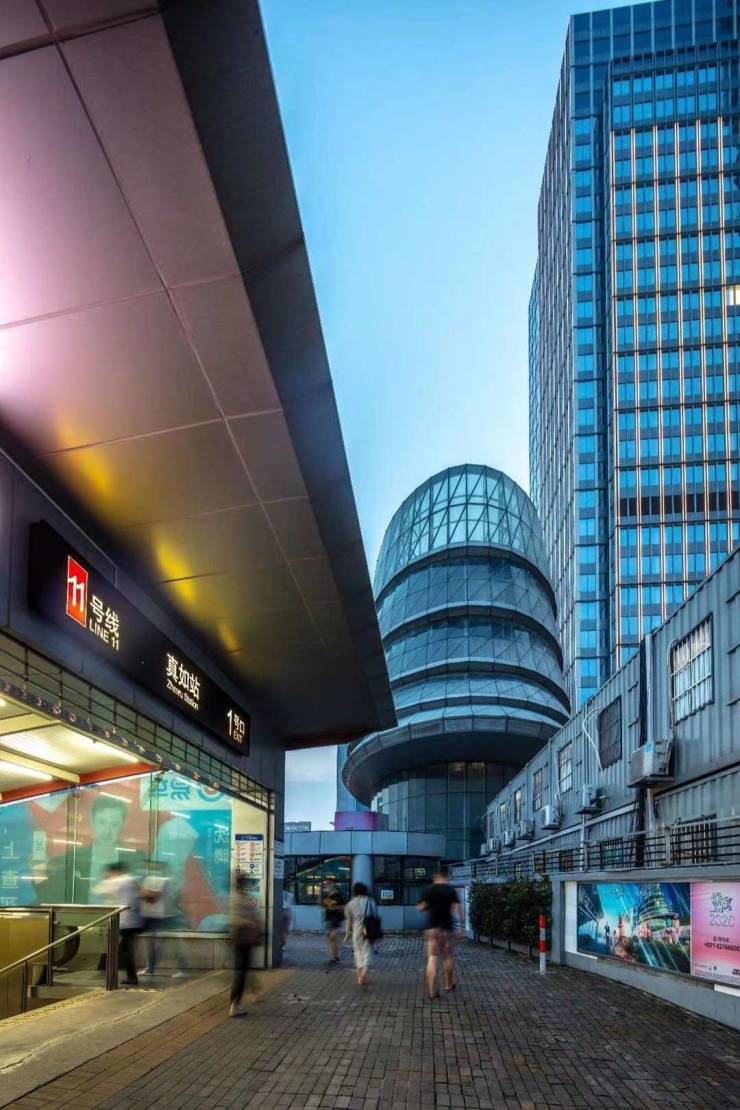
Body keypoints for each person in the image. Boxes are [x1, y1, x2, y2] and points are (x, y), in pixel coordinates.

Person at [94, 862, 142, 987]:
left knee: (122, 950)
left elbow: (98, 890)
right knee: (125, 949)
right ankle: (130, 977)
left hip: (124, 921)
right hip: (131, 921)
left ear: (115, 871)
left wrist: (107, 879)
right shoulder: (131, 880)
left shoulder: (120, 880)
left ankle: (122, 977)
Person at [417, 866, 461, 999]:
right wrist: (461, 928)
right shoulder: (451, 890)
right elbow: (456, 909)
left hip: (432, 929)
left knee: (432, 957)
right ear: (447, 876)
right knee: (448, 956)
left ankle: (432, 992)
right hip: (447, 928)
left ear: (436, 876)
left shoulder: (429, 890)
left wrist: (425, 906)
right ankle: (448, 985)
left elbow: (421, 908)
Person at [139, 861, 189, 978]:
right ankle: (150, 968)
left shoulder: (157, 880)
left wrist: (140, 891)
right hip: (160, 916)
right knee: (155, 944)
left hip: (160, 917)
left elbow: (153, 898)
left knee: (166, 944)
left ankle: (183, 968)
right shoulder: (167, 881)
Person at [228, 873, 262, 1018]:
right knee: (241, 973)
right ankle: (235, 1005)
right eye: (246, 883)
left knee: (242, 971)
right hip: (243, 939)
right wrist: (250, 923)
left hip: (243, 939)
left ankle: (239, 1001)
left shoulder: (240, 897)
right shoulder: (240, 898)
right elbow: (236, 919)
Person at [344, 882, 377, 988]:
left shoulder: (350, 904)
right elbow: (374, 916)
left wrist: (347, 933)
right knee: (367, 953)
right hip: (368, 930)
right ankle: (363, 976)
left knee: (357, 953)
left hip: (356, 931)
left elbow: (348, 921)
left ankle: (359, 977)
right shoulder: (370, 901)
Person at [321, 877, 346, 964]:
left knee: (333, 936)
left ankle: (334, 956)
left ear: (333, 883)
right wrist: (326, 904)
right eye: (326, 883)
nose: (327, 884)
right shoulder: (325, 893)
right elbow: (322, 904)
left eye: (329, 882)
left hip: (337, 917)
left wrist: (337, 907)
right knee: (331, 938)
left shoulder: (338, 893)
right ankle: (335, 955)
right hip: (329, 917)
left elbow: (343, 905)